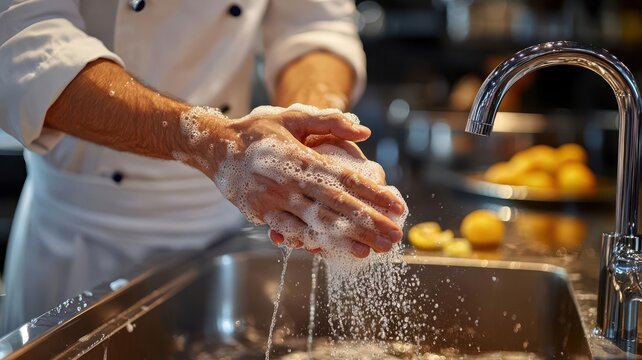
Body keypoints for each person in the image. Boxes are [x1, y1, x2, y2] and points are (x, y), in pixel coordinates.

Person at [0, 0, 405, 334]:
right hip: (84, 241)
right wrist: (211, 142)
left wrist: (315, 133)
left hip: (226, 223)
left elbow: (312, 22)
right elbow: (23, 43)